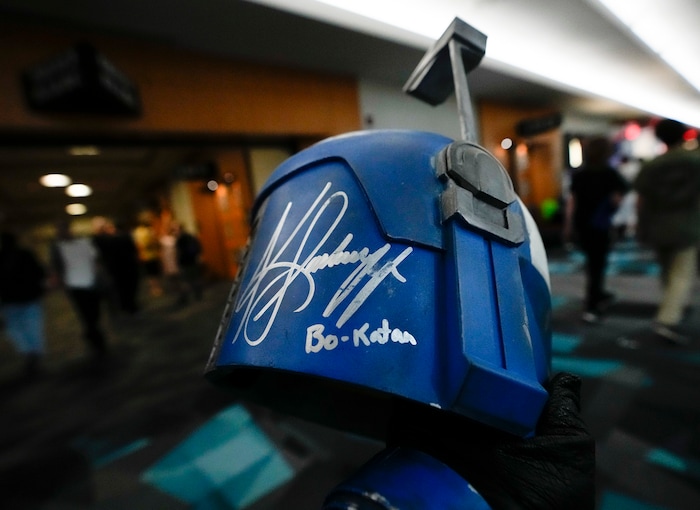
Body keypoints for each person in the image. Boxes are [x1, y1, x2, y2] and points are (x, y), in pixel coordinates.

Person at [635, 119, 700, 345]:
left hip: (658, 225)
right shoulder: (694, 161)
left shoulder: (652, 165)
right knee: (682, 273)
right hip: (688, 224)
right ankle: (667, 319)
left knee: (667, 270)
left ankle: (672, 306)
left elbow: (641, 200)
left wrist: (641, 226)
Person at [564, 136, 630, 323]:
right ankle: (592, 304)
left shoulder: (579, 175)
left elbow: (572, 202)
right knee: (598, 264)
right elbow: (619, 197)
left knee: (592, 263)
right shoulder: (610, 174)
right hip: (600, 225)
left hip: (582, 224)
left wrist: (568, 227)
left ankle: (598, 294)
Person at [50, 220, 109, 359]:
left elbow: (95, 260)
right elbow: (56, 267)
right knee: (86, 314)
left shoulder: (84, 242)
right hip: (75, 286)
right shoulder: (58, 247)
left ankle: (92, 333)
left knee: (93, 312)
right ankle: (94, 336)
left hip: (91, 283)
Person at [0, 231, 48, 379]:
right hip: (26, 297)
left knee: (17, 328)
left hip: (12, 300)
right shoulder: (26, 255)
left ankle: (30, 352)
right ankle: (33, 353)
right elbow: (40, 272)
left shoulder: (8, 257)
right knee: (30, 326)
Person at [92, 217, 141, 315]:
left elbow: (132, 249)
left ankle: (129, 304)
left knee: (130, 286)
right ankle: (127, 305)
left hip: (128, 267)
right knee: (121, 288)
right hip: (116, 269)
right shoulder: (102, 240)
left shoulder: (122, 237)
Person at [173, 223, 203, 305]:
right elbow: (198, 247)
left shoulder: (180, 239)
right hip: (193, 260)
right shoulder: (190, 236)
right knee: (195, 278)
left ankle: (185, 297)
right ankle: (198, 294)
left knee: (185, 280)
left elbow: (178, 252)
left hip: (185, 262)